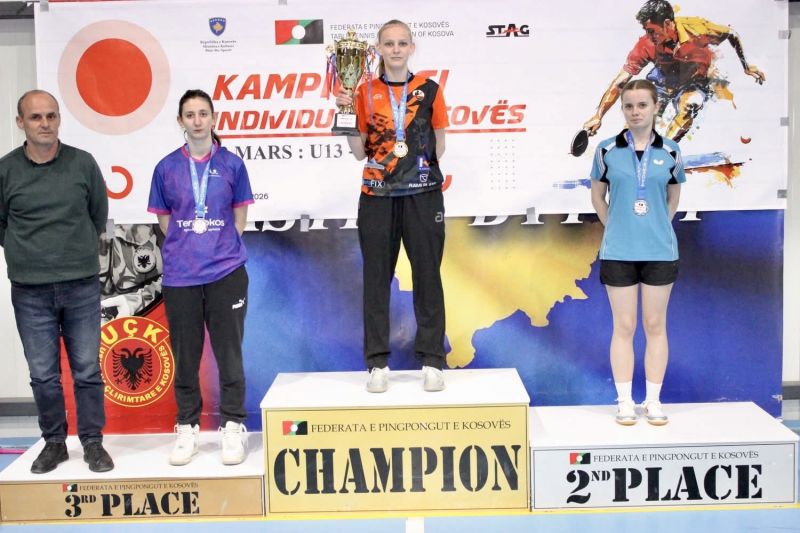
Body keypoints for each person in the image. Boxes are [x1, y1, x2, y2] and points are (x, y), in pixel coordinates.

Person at [0, 90, 113, 473]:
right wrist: (29, 255)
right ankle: (54, 443)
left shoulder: (82, 163)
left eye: (51, 115)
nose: (45, 123)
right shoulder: (5, 170)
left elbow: (98, 214)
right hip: (29, 290)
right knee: (43, 375)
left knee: (87, 370)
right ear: (21, 123)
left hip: (80, 285)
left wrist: (72, 252)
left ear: (59, 118)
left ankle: (93, 443)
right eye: (36, 117)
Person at [336, 20, 449, 393]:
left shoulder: (429, 90)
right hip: (377, 197)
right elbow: (358, 152)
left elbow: (440, 145)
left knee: (428, 277)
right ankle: (377, 363)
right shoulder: (363, 92)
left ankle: (432, 361)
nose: (396, 49)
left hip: (423, 195)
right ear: (379, 49)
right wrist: (346, 115)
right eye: (389, 43)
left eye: (402, 43)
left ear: (412, 48)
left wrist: (413, 166)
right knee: (376, 280)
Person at [147, 89, 254, 465]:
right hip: (181, 277)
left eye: (203, 113)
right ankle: (188, 427)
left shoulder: (232, 165)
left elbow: (239, 219)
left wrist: (216, 246)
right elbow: (165, 222)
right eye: (190, 114)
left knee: (229, 352)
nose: (197, 121)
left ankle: (233, 425)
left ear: (214, 119)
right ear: (181, 121)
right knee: (186, 355)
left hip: (226, 272)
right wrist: (191, 246)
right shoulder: (165, 168)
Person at [590, 79, 686, 426]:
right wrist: (616, 226)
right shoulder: (606, 150)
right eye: (629, 106)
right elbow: (597, 196)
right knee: (625, 325)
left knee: (655, 324)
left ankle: (654, 402)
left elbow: (673, 199)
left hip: (659, 251)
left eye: (642, 105)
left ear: (656, 107)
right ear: (623, 110)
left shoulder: (671, 150)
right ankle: (625, 402)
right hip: (618, 251)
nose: (635, 112)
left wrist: (655, 226)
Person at [582, 0, 765, 142]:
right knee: (639, 126)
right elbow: (621, 82)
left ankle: (664, 151)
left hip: (693, 83)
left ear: (667, 24)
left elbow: (731, 34)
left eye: (652, 31)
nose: (649, 36)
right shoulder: (646, 43)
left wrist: (747, 66)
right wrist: (598, 115)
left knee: (692, 103)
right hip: (662, 83)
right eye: (646, 31)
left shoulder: (698, 28)